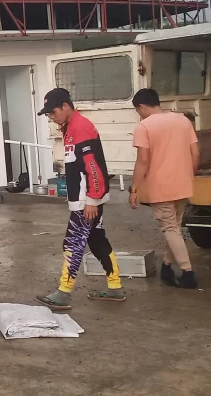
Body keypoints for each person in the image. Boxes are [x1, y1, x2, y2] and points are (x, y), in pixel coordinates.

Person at [35, 88, 124, 310]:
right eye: (48, 114)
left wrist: (92, 200)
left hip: (87, 202)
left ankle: (63, 293)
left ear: (66, 106)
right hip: (87, 200)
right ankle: (115, 287)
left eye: (53, 112)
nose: (51, 117)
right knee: (96, 241)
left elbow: (92, 167)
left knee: (73, 243)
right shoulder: (71, 127)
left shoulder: (81, 127)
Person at [129, 88, 200, 289]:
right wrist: (188, 175)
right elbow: (195, 153)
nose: (139, 114)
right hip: (183, 184)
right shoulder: (183, 120)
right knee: (174, 228)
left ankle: (188, 273)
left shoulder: (143, 127)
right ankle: (167, 267)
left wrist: (134, 189)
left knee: (170, 228)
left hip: (160, 187)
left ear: (141, 106)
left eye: (137, 110)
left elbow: (142, 161)